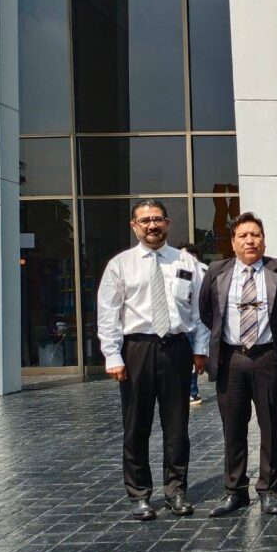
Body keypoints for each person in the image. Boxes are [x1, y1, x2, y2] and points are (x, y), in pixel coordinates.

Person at [96, 199, 209, 521]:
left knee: (177, 426)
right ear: (134, 226)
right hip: (137, 350)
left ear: (168, 224)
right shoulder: (121, 265)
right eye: (144, 220)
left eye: (157, 219)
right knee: (136, 426)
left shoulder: (186, 262)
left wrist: (200, 349)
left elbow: (200, 311)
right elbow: (108, 313)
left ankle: (176, 491)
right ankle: (139, 494)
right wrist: (112, 355)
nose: (152, 225)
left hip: (176, 348)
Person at [199, 213, 277, 517]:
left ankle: (269, 490)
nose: (250, 241)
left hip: (268, 358)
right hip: (231, 359)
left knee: (270, 425)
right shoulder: (217, 271)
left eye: (255, 235)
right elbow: (206, 311)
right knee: (233, 427)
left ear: (264, 240)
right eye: (243, 236)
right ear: (233, 243)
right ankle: (235, 491)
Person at [179, 243, 208, 406]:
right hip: (190, 321)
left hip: (192, 321)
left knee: (191, 362)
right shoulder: (205, 269)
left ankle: (192, 392)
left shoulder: (199, 270)